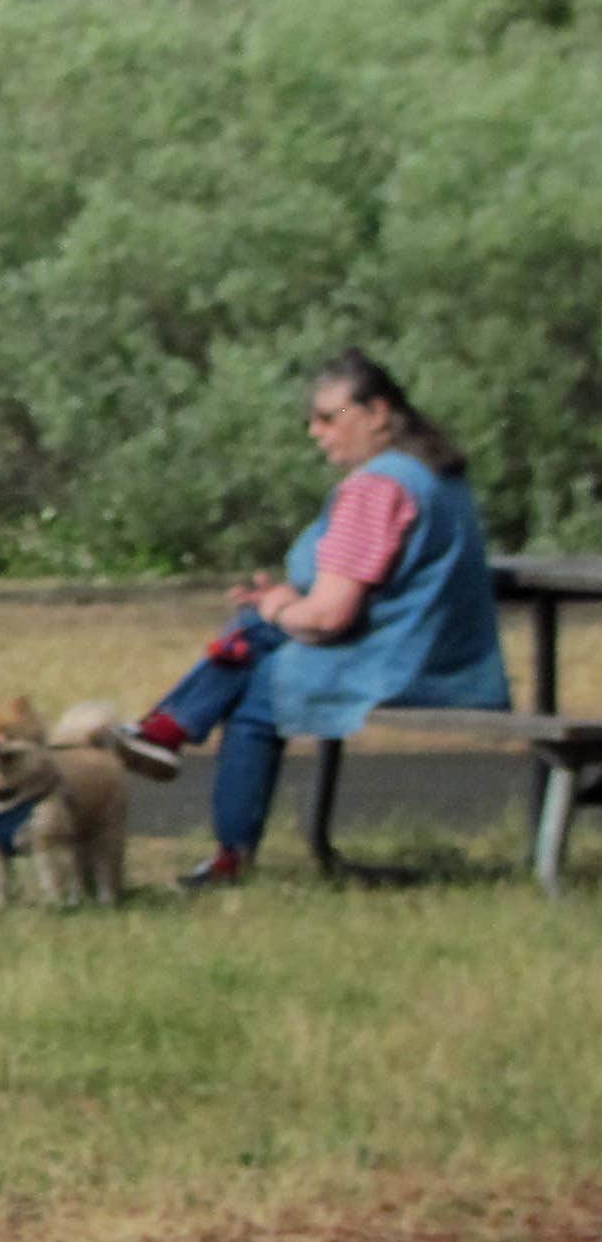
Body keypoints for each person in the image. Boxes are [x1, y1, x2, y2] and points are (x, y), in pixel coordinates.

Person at [101, 350, 511, 886]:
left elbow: (328, 618)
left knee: (259, 688)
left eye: (327, 417)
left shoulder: (377, 488)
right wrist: (286, 602)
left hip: (397, 663)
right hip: (447, 654)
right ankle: (169, 729)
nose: (315, 432)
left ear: (378, 412)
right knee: (259, 633)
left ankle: (226, 845)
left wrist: (279, 604)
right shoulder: (437, 475)